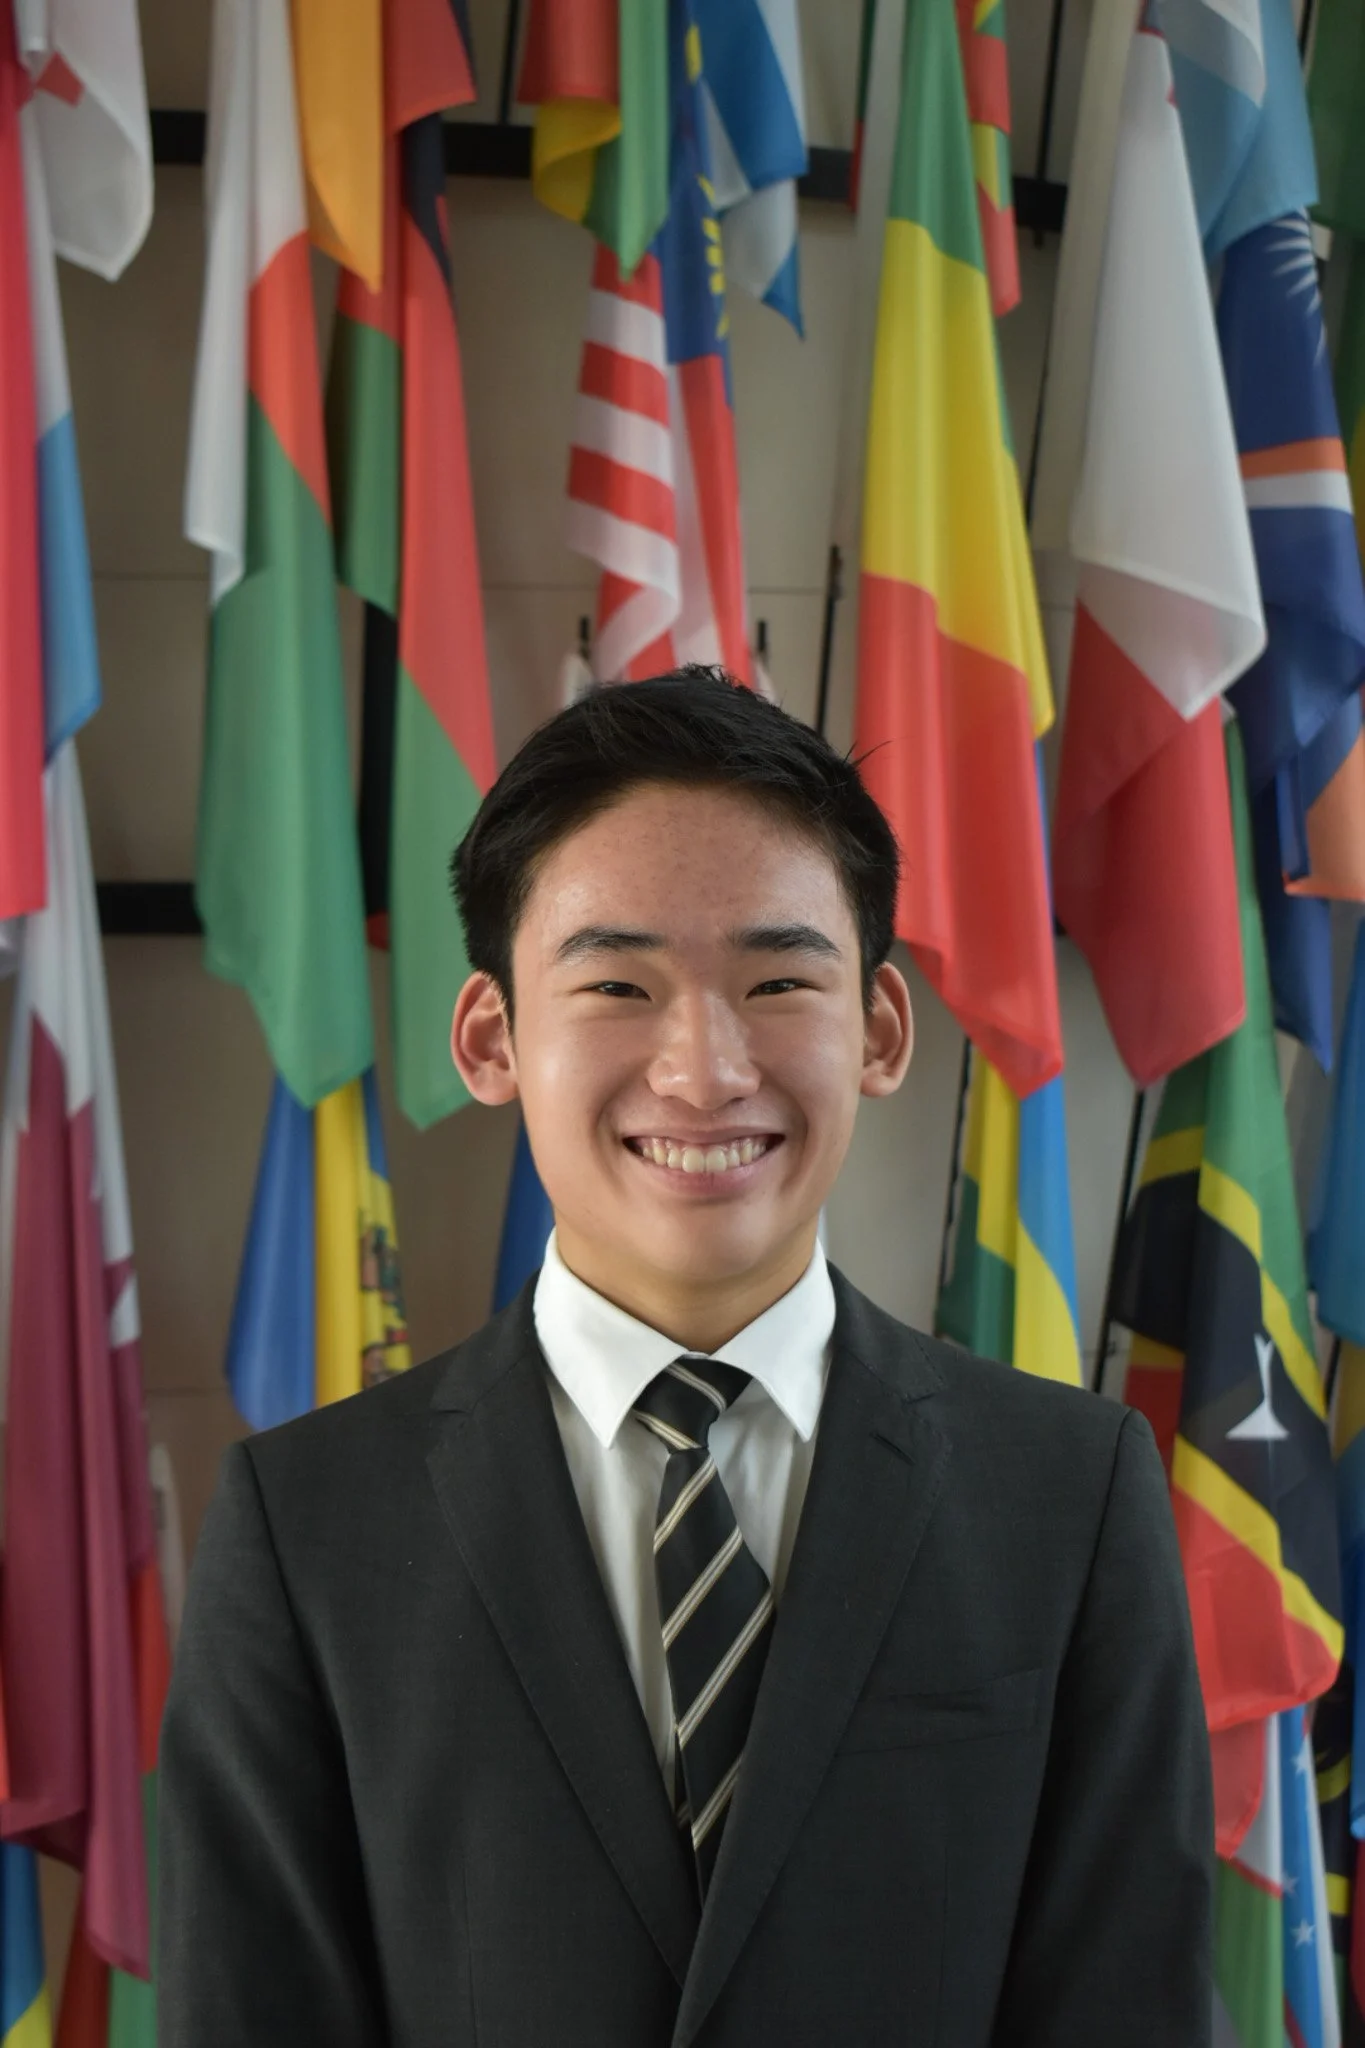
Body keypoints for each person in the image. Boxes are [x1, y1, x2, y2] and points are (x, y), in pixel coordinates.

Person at [159, 669, 1213, 2046]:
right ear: (492, 1039)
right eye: (616, 982)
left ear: (881, 1028)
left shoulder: (1069, 1498)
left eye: (779, 979)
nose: (705, 1068)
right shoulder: (307, 1534)